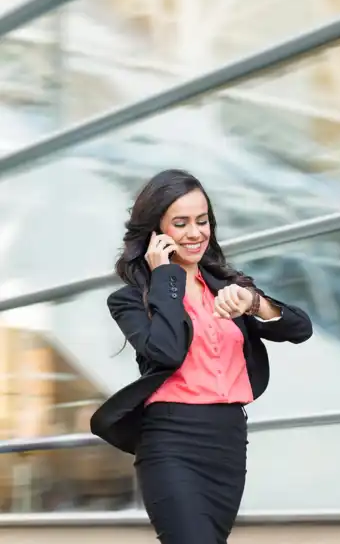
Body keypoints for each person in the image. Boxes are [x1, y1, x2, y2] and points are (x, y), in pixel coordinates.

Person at [90, 169, 313, 544]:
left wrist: (255, 304)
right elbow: (166, 351)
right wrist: (165, 277)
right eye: (180, 223)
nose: (195, 233)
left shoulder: (228, 288)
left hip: (227, 440)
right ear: (156, 231)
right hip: (171, 441)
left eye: (202, 220)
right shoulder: (130, 299)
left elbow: (299, 329)